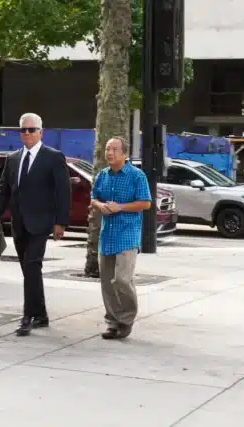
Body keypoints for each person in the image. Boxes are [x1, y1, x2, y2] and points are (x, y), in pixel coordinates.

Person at [0, 113, 71, 337]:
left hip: (41, 223)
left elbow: (63, 192)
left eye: (31, 130)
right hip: (18, 223)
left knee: (32, 265)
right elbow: (3, 189)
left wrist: (60, 222)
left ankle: (27, 317)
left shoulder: (53, 157)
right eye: (23, 130)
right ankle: (41, 314)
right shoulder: (13, 158)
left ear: (41, 132)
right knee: (29, 270)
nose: (27, 134)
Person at [90, 136, 152, 340]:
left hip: (128, 234)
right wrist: (101, 206)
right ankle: (112, 322)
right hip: (107, 234)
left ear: (125, 154)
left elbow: (145, 203)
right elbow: (94, 198)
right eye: (108, 149)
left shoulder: (137, 176)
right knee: (107, 282)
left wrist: (120, 207)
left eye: (115, 150)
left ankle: (126, 319)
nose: (109, 153)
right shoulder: (102, 176)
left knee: (122, 280)